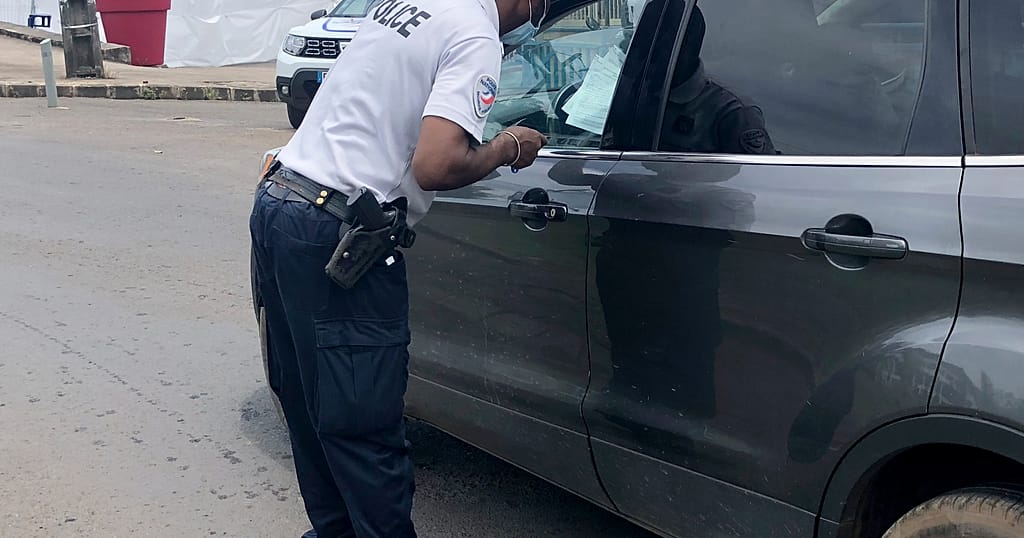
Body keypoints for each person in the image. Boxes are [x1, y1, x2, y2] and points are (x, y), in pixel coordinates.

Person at [248, 0, 550, 536]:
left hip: (282, 201)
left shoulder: (407, 3)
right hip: (339, 232)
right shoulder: (475, 36)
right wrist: (508, 146)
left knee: (313, 413)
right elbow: (436, 164)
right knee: (362, 429)